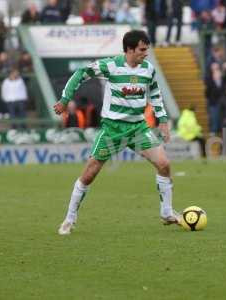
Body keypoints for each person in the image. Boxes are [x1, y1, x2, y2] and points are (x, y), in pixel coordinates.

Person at [54, 30, 181, 235]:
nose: (145, 53)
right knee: (89, 175)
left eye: (146, 49)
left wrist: (163, 120)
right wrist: (65, 99)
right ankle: (69, 219)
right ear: (129, 49)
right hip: (113, 129)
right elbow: (81, 73)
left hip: (138, 127)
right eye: (142, 49)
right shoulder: (111, 65)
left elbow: (156, 94)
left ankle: (166, 213)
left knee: (164, 164)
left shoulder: (148, 69)